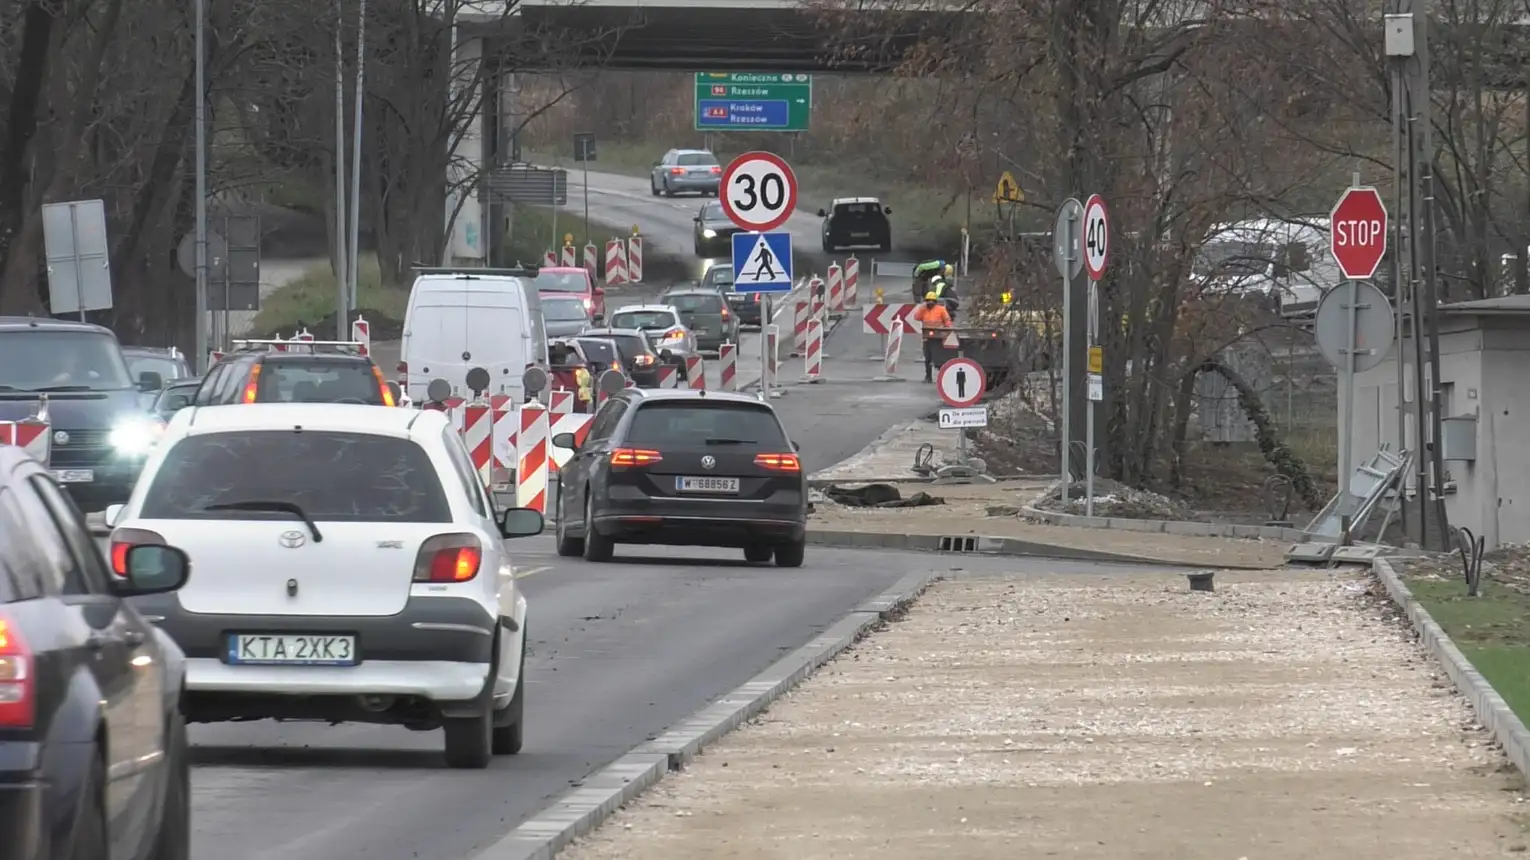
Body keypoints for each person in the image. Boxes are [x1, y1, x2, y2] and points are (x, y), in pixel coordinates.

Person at [912, 292, 953, 383]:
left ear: (935, 301)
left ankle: (943, 377)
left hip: (938, 337)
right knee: (928, 358)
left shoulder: (941, 309)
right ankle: (928, 376)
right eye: (928, 301)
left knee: (940, 358)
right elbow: (916, 317)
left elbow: (947, 321)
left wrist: (948, 332)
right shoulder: (923, 309)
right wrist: (922, 308)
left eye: (932, 301)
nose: (930, 302)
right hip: (927, 337)